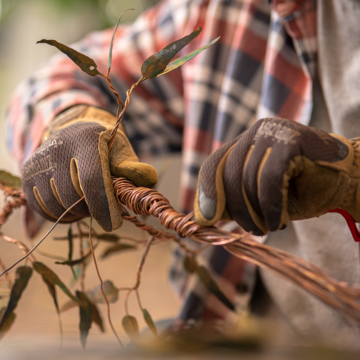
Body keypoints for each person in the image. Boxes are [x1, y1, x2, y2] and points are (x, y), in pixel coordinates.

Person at [6, 0, 360, 343]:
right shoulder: (234, 12)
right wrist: (70, 119)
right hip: (257, 337)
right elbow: (45, 84)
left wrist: (353, 174)